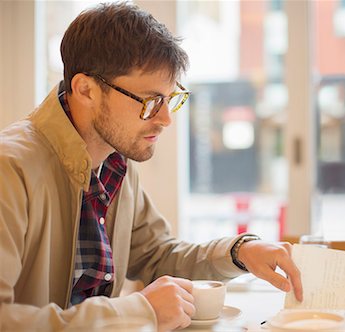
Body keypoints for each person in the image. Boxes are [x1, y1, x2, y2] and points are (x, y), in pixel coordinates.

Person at [0, 3, 302, 331]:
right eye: (150, 101)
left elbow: (158, 255)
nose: (166, 119)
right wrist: (139, 310)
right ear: (86, 89)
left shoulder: (116, 162)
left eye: (170, 99)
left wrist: (240, 251)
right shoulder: (10, 170)